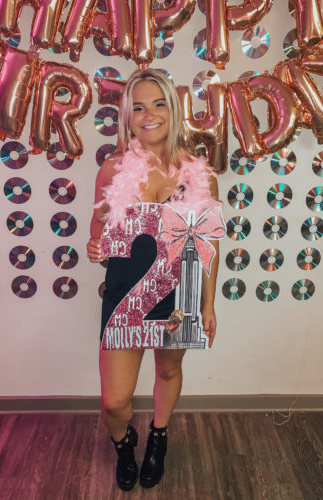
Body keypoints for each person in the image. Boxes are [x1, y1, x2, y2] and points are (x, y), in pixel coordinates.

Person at [87, 69, 222, 491]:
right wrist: (97, 250)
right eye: (138, 107)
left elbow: (207, 244)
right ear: (127, 115)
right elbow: (99, 229)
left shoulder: (199, 174)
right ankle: (124, 442)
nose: (149, 115)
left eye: (158, 104)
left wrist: (208, 303)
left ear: (173, 109)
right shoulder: (112, 168)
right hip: (126, 292)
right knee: (114, 401)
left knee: (168, 370)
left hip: (176, 295)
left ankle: (158, 438)